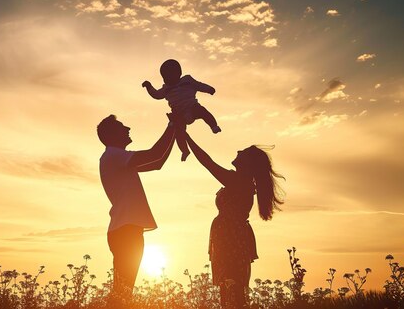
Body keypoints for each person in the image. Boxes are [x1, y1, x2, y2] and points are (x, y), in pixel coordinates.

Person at [185, 133, 285, 309]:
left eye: (243, 152)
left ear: (247, 163)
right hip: (230, 236)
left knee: (232, 287)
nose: (238, 151)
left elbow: (207, 162)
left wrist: (186, 136)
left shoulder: (238, 181)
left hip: (231, 238)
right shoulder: (240, 181)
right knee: (230, 288)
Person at [97, 114, 176, 305]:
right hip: (125, 230)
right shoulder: (113, 155)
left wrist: (175, 128)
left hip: (127, 229)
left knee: (124, 291)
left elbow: (157, 162)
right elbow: (155, 154)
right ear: (111, 135)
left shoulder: (117, 157)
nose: (127, 129)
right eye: (122, 127)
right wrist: (173, 124)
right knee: (122, 291)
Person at [142, 59, 221, 162]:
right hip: (178, 114)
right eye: (165, 77)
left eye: (170, 75)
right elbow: (156, 95)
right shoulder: (166, 89)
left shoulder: (187, 80)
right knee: (179, 132)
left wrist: (209, 89)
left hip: (192, 107)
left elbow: (199, 85)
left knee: (204, 112)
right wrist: (149, 87)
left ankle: (214, 126)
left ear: (178, 73)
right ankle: (184, 150)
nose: (168, 79)